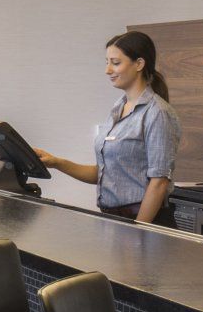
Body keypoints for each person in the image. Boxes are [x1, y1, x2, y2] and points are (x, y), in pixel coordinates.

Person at [35, 31, 181, 225]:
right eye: (107, 62)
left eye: (115, 62)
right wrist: (56, 162)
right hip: (114, 220)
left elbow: (159, 183)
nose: (108, 70)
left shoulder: (157, 113)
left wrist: (138, 232)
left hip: (144, 222)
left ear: (139, 64)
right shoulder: (117, 108)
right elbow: (105, 173)